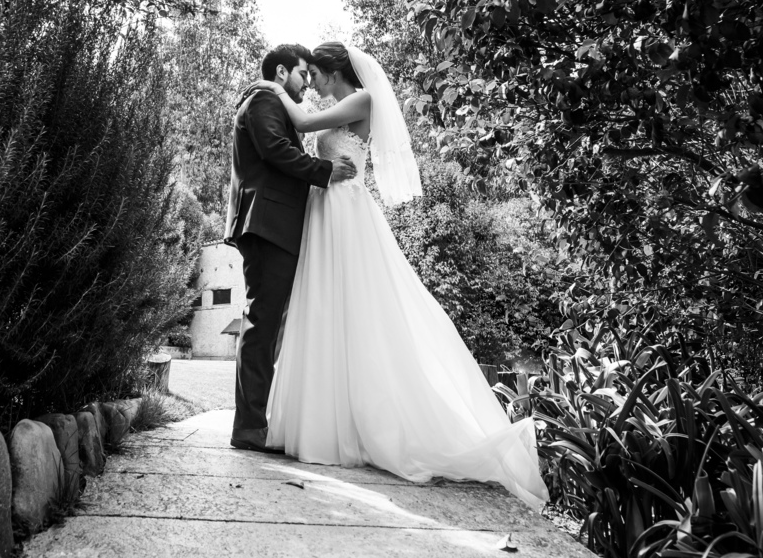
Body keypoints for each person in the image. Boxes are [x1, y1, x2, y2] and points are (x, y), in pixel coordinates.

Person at [247, 41, 549, 510]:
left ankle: (358, 426)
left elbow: (305, 125)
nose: (314, 85)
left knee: (356, 307)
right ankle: (319, 421)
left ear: (333, 72)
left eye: (317, 76)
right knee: (324, 309)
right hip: (326, 207)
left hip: (345, 210)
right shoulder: (344, 103)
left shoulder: (361, 99)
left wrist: (268, 86)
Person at [224, 44, 358, 453]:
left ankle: (257, 423)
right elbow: (275, 151)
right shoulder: (264, 97)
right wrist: (325, 171)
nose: (307, 84)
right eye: (303, 74)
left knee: (270, 324)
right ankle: (248, 428)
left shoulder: (271, 100)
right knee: (262, 322)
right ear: (282, 72)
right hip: (267, 226)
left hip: (275, 225)